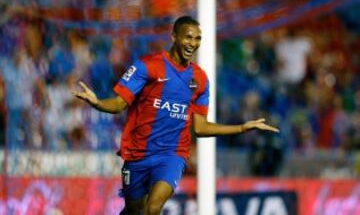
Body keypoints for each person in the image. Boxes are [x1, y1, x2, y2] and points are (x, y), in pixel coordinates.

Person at [72, 16, 279, 215]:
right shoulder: (147, 66)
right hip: (138, 153)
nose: (193, 43)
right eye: (188, 37)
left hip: (172, 155)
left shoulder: (200, 79)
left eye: (197, 38)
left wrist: (242, 128)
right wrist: (97, 102)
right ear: (174, 37)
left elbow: (200, 127)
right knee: (135, 210)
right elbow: (118, 104)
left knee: (153, 208)